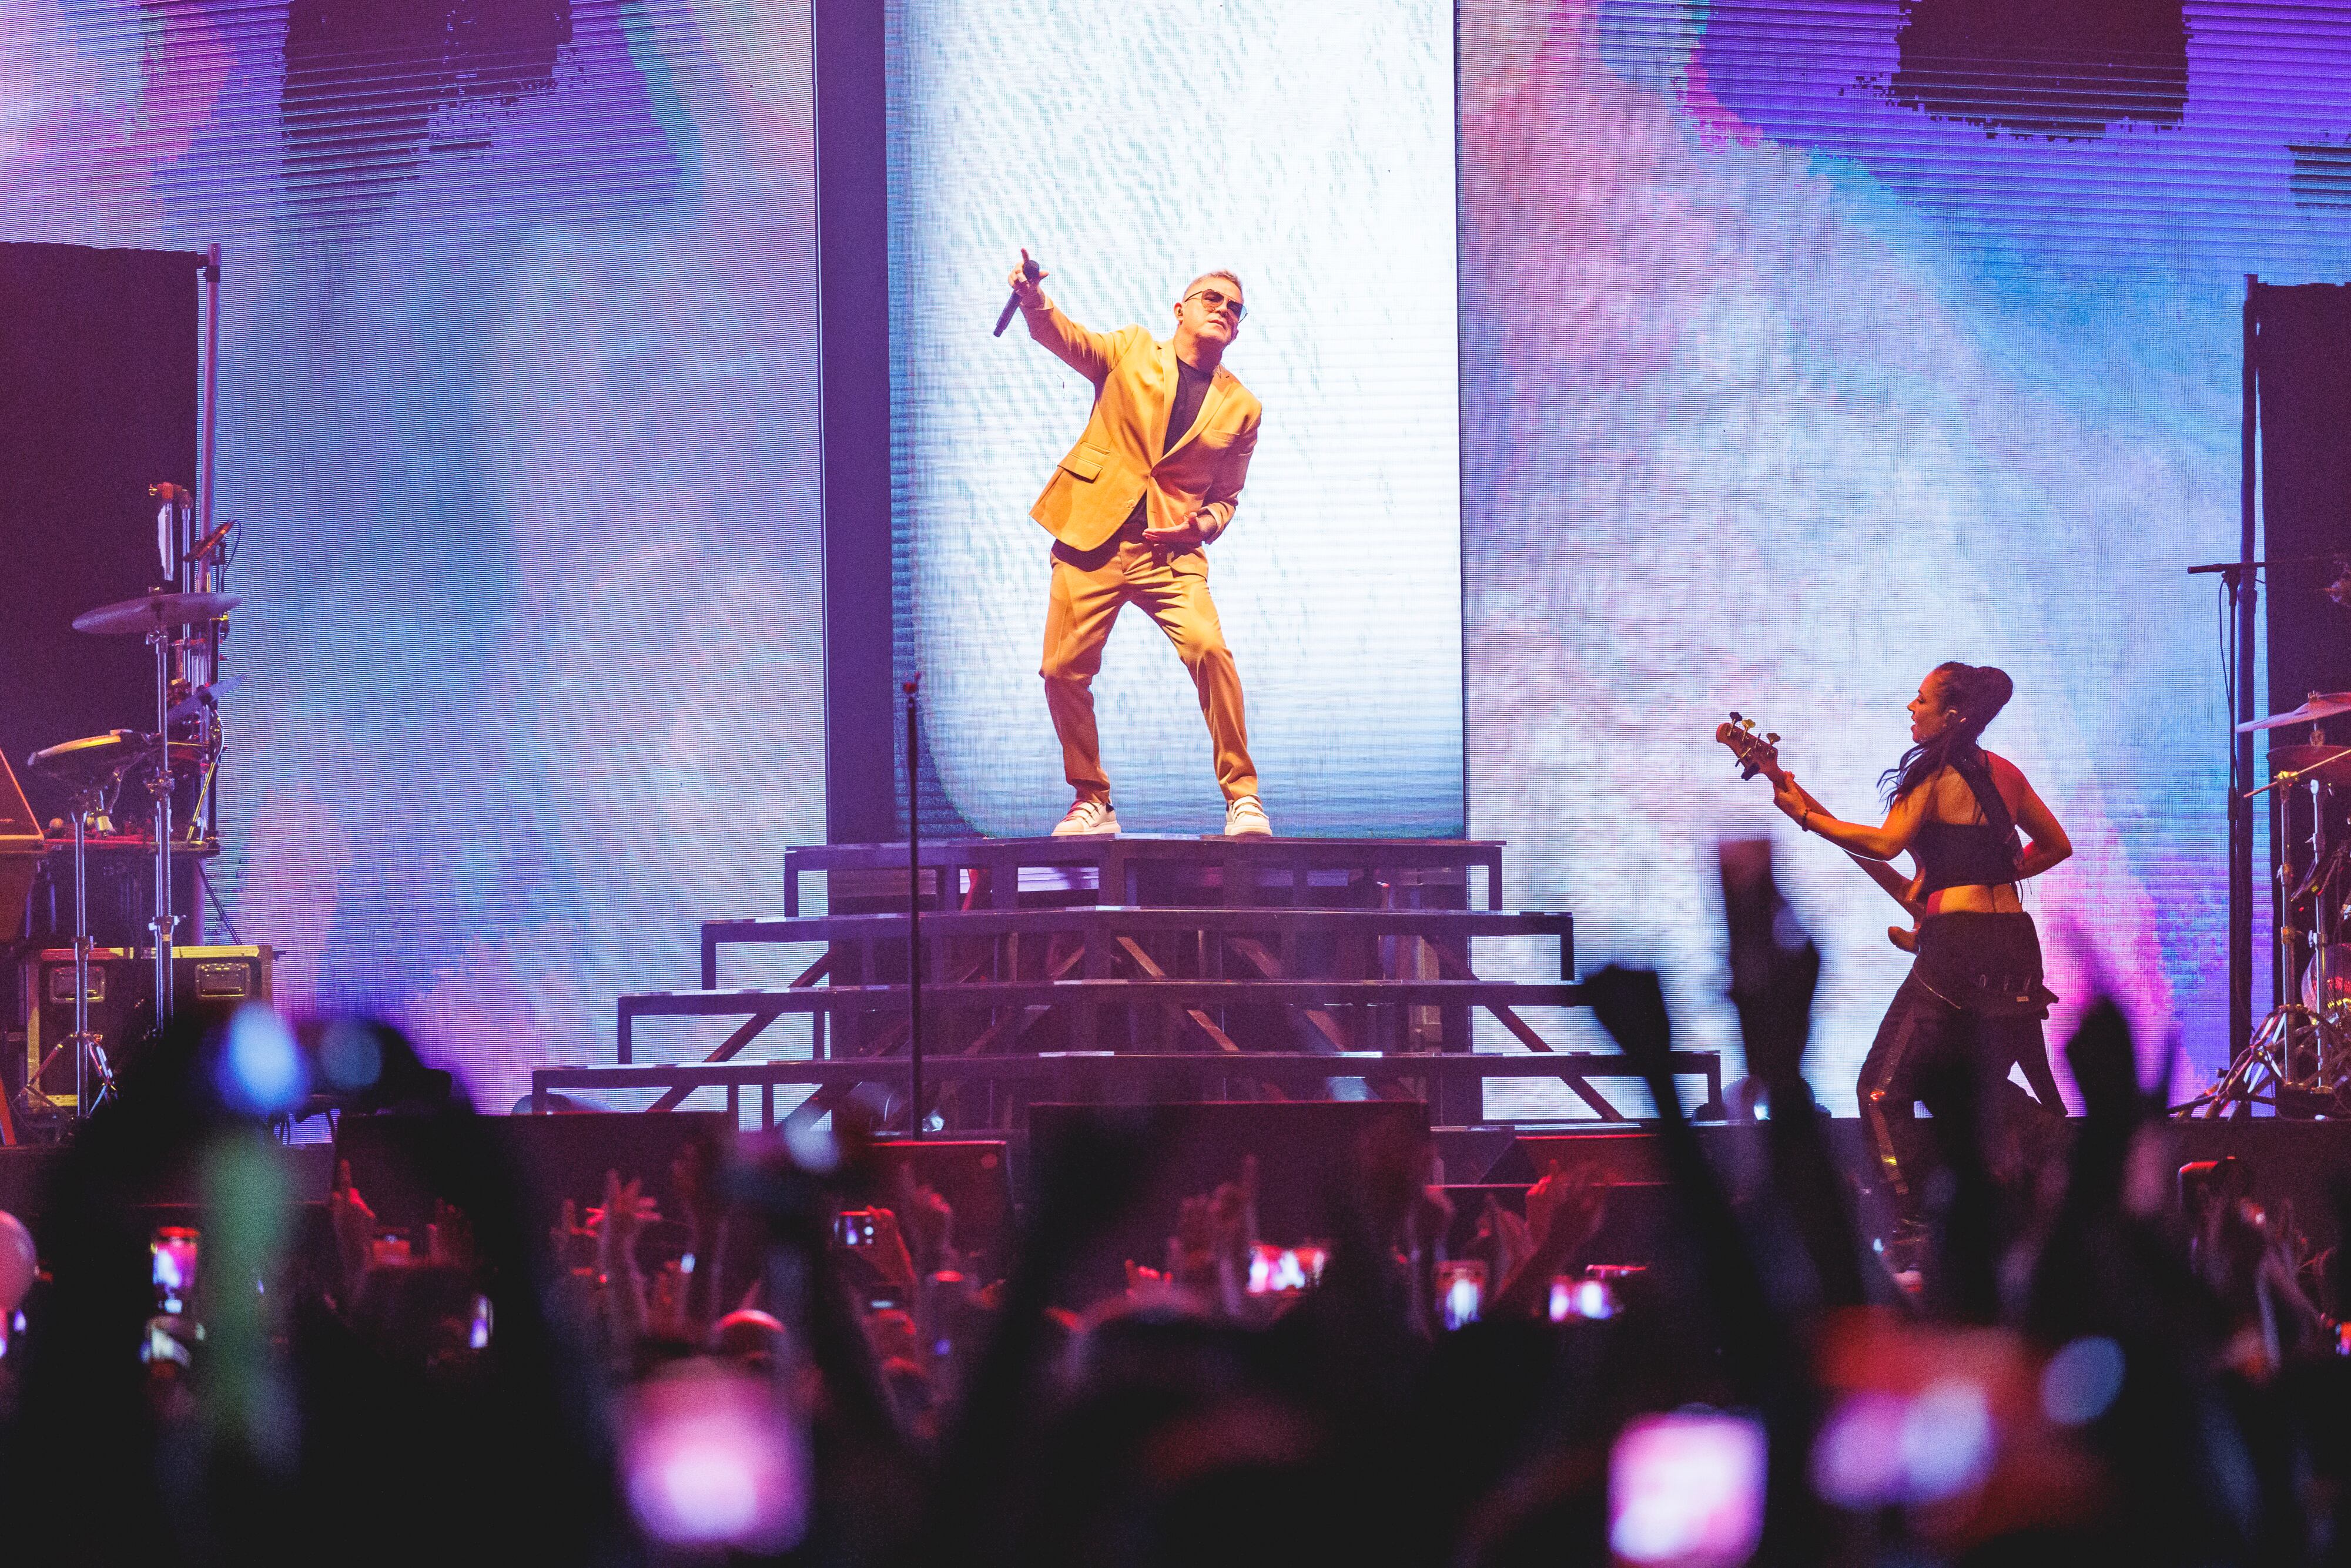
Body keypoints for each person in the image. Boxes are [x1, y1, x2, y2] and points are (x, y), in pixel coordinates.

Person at [1764, 662, 2073, 1215]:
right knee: (1966, 1087)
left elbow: (1885, 845)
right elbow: (2055, 846)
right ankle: (2054, 1143)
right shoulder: (2005, 772)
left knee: (1880, 1092)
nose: (1911, 706)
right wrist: (1986, 873)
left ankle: (1907, 1221)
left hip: (1960, 950)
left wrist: (1807, 818)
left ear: (1952, 713)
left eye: (1921, 698)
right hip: (2017, 947)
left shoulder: (1931, 774)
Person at [1007, 251, 1271, 837]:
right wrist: (1032, 299)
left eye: (1235, 308)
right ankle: (1092, 797)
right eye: (1211, 299)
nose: (1223, 311)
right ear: (1179, 309)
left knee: (1210, 651)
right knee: (1060, 671)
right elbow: (1066, 338)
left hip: (1168, 553)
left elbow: (1226, 499)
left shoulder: (1242, 407)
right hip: (1090, 537)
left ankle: (1243, 798)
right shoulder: (1129, 350)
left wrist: (1196, 529)